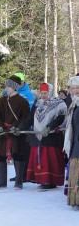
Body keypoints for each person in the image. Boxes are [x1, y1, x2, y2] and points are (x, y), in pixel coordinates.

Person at [17, 83, 67, 190]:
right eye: (42, 93)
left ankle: (50, 181)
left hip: (51, 137)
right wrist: (20, 127)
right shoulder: (37, 103)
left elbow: (61, 118)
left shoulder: (59, 103)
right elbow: (30, 117)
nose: (43, 95)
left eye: (45, 93)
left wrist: (49, 127)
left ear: (51, 92)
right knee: (39, 159)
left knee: (50, 160)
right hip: (38, 136)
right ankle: (42, 180)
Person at [0, 75, 30, 190]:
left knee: (17, 155)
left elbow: (25, 117)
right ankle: (1, 181)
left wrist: (16, 127)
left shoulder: (23, 102)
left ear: (14, 87)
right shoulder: (1, 101)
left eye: (9, 86)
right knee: (1, 155)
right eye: (6, 86)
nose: (7, 88)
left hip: (16, 133)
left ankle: (19, 181)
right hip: (3, 132)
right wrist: (0, 127)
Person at [63, 76, 79, 210]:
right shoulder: (74, 103)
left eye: (78, 87)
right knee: (75, 171)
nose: (76, 90)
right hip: (75, 142)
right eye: (73, 88)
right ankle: (76, 200)